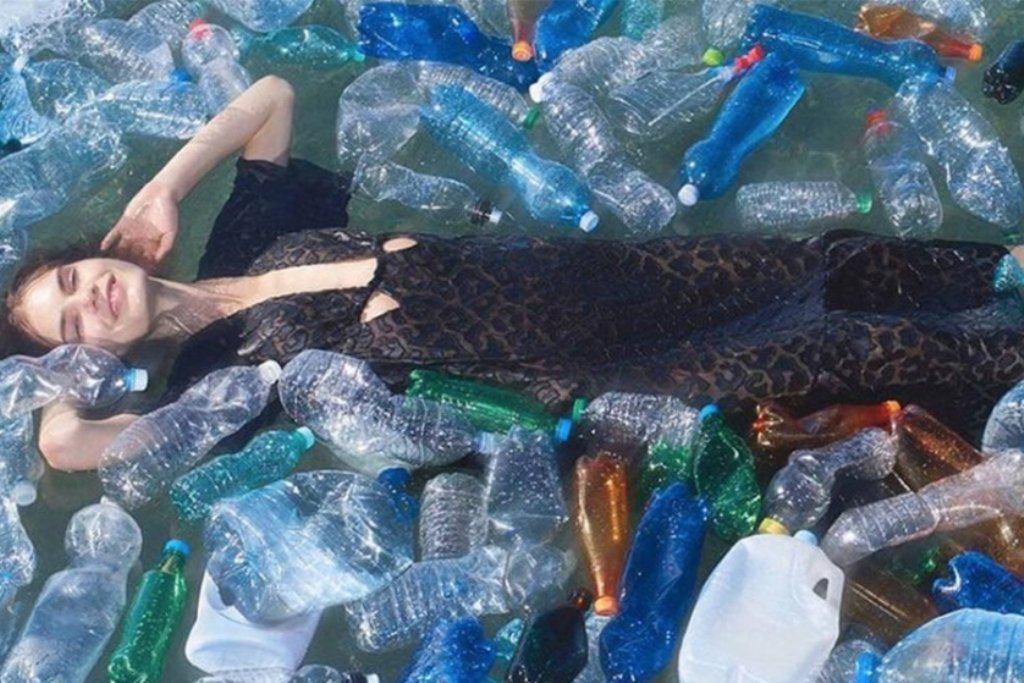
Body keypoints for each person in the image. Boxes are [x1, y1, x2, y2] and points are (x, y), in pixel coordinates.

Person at [2, 76, 1023, 470]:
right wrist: (57, 382)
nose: (89, 299)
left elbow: (269, 96)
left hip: (598, 275)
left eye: (73, 279)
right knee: (841, 346)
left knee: (835, 259)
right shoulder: (206, 384)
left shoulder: (243, 233)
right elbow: (66, 445)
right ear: (89, 357)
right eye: (70, 324)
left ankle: (1007, 266)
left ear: (99, 253)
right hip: (584, 372)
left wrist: (164, 188)